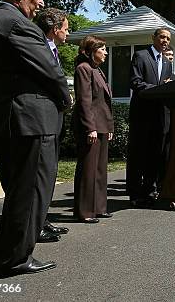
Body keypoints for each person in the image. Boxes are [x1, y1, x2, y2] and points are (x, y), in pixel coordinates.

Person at [0, 0, 71, 275]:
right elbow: (50, 71)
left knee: (20, 192)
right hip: (31, 119)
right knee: (32, 192)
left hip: (13, 117)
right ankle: (14, 258)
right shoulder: (18, 24)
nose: (42, 2)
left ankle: (3, 255)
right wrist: (66, 99)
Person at [34, 7, 71, 241]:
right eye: (66, 29)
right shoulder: (39, 48)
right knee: (40, 174)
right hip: (41, 117)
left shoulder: (54, 50)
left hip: (54, 117)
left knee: (49, 172)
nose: (68, 33)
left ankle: (42, 219)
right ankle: (35, 226)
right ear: (55, 29)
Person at [127, 28, 175, 207]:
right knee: (138, 155)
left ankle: (149, 192)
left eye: (168, 38)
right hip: (142, 115)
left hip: (160, 116)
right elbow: (135, 82)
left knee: (155, 156)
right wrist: (159, 89)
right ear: (153, 38)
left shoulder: (167, 63)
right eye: (162, 37)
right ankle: (134, 194)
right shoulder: (140, 56)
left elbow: (167, 86)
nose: (165, 41)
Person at [72, 36, 114, 223]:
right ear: (91, 51)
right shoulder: (84, 69)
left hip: (102, 126)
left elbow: (105, 103)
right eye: (102, 49)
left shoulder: (98, 70)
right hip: (90, 127)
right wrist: (90, 128)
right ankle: (85, 211)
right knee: (88, 169)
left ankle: (99, 208)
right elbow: (84, 101)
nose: (106, 52)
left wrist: (109, 126)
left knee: (99, 170)